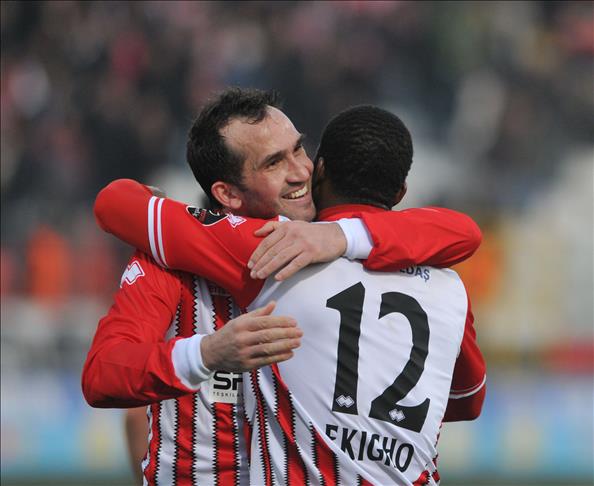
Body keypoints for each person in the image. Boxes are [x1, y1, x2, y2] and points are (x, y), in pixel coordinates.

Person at [85, 89, 483, 484]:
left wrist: (341, 235)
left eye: (299, 150)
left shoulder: (333, 251)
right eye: (274, 162)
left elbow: (460, 231)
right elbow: (104, 374)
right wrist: (206, 353)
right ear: (227, 193)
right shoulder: (169, 261)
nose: (301, 172)